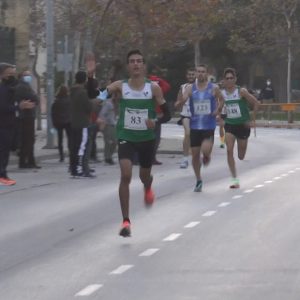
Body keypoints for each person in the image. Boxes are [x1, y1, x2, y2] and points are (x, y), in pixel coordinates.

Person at [87, 50, 171, 237]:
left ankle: (147, 186)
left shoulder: (153, 88)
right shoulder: (120, 86)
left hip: (146, 139)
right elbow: (96, 96)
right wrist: (91, 76)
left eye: (139, 61)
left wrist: (155, 121)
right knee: (125, 175)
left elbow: (168, 114)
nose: (135, 64)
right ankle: (126, 221)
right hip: (126, 136)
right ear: (128, 66)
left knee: (144, 176)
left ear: (144, 65)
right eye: (132, 61)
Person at [175, 64, 224, 192]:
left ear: (206, 74)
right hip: (195, 125)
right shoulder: (191, 88)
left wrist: (217, 110)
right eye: (198, 72)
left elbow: (222, 100)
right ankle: (198, 180)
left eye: (203, 72)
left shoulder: (213, 88)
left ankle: (206, 156)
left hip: (208, 124)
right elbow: (183, 99)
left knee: (206, 149)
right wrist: (180, 102)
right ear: (196, 74)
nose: (200, 74)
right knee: (195, 156)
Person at [221, 68, 260, 188]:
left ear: (235, 79)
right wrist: (218, 115)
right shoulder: (222, 93)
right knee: (229, 151)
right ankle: (234, 180)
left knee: (241, 156)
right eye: (227, 78)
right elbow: (220, 106)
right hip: (230, 125)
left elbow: (256, 103)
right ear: (224, 80)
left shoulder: (241, 91)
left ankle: (241, 153)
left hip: (243, 125)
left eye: (231, 78)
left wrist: (252, 120)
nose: (229, 80)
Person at [0, 63, 34, 185]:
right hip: (3, 125)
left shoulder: (8, 87)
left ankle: (3, 175)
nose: (12, 76)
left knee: (5, 151)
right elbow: (3, 107)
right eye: (10, 74)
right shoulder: (2, 89)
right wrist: (18, 107)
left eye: (13, 74)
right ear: (2, 74)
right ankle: (2, 176)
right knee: (3, 152)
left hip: (9, 124)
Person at [14, 70, 40, 169]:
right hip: (25, 116)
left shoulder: (26, 86)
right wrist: (35, 98)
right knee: (27, 140)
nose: (29, 77)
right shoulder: (22, 87)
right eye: (26, 75)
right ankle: (24, 162)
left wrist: (35, 98)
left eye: (29, 75)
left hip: (29, 115)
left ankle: (30, 161)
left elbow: (34, 98)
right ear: (21, 76)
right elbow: (34, 98)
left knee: (29, 140)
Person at [69, 70, 94, 178]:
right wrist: (93, 103)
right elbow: (88, 107)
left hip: (73, 122)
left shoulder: (72, 91)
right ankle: (80, 168)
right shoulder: (82, 92)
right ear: (84, 80)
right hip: (82, 122)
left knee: (74, 146)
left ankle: (74, 168)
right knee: (82, 146)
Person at [148, 66, 171, 165]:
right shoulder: (145, 84)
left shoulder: (157, 88)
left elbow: (167, 87)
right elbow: (167, 86)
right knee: (150, 138)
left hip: (157, 114)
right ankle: (146, 157)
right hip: (150, 114)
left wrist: (157, 80)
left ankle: (152, 158)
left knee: (155, 138)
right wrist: (158, 80)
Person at [174, 67, 195, 168]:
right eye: (189, 74)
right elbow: (178, 101)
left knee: (197, 136)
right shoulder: (182, 87)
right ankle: (185, 159)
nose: (191, 76)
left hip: (198, 116)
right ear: (186, 76)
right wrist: (178, 104)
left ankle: (196, 155)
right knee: (187, 133)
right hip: (186, 114)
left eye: (192, 74)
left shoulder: (201, 87)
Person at [51, 85, 71, 162]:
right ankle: (70, 153)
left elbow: (53, 113)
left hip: (59, 122)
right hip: (68, 122)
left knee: (60, 139)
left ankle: (61, 156)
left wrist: (54, 123)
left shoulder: (56, 101)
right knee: (70, 139)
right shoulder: (70, 100)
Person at [97, 95, 117, 165]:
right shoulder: (107, 103)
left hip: (112, 124)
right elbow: (102, 114)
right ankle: (107, 158)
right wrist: (104, 122)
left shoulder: (111, 102)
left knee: (114, 141)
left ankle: (109, 156)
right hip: (108, 125)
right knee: (108, 142)